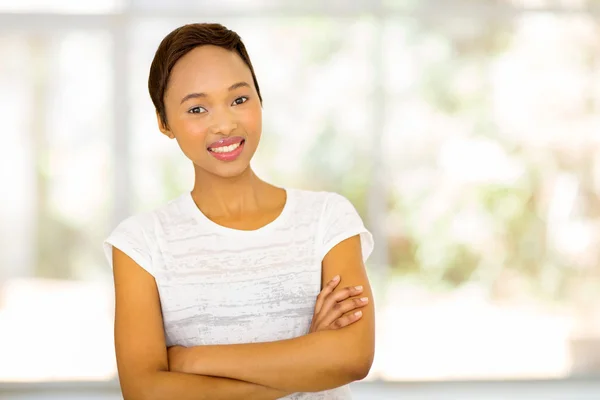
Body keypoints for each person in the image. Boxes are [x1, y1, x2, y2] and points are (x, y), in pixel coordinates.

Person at [103, 22, 375, 400]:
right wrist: (307, 363)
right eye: (197, 108)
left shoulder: (328, 219)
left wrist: (190, 362)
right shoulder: (140, 244)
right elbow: (146, 391)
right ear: (164, 123)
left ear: (260, 101)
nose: (225, 124)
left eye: (239, 99)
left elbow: (351, 358)